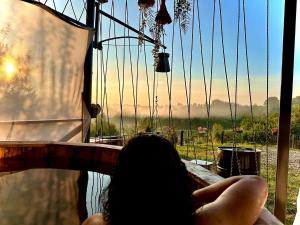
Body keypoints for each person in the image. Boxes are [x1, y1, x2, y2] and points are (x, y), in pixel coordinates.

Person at [83, 135, 268, 225]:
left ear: (120, 185)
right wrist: (184, 201)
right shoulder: (207, 221)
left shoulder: (96, 223)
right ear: (179, 180)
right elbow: (254, 183)